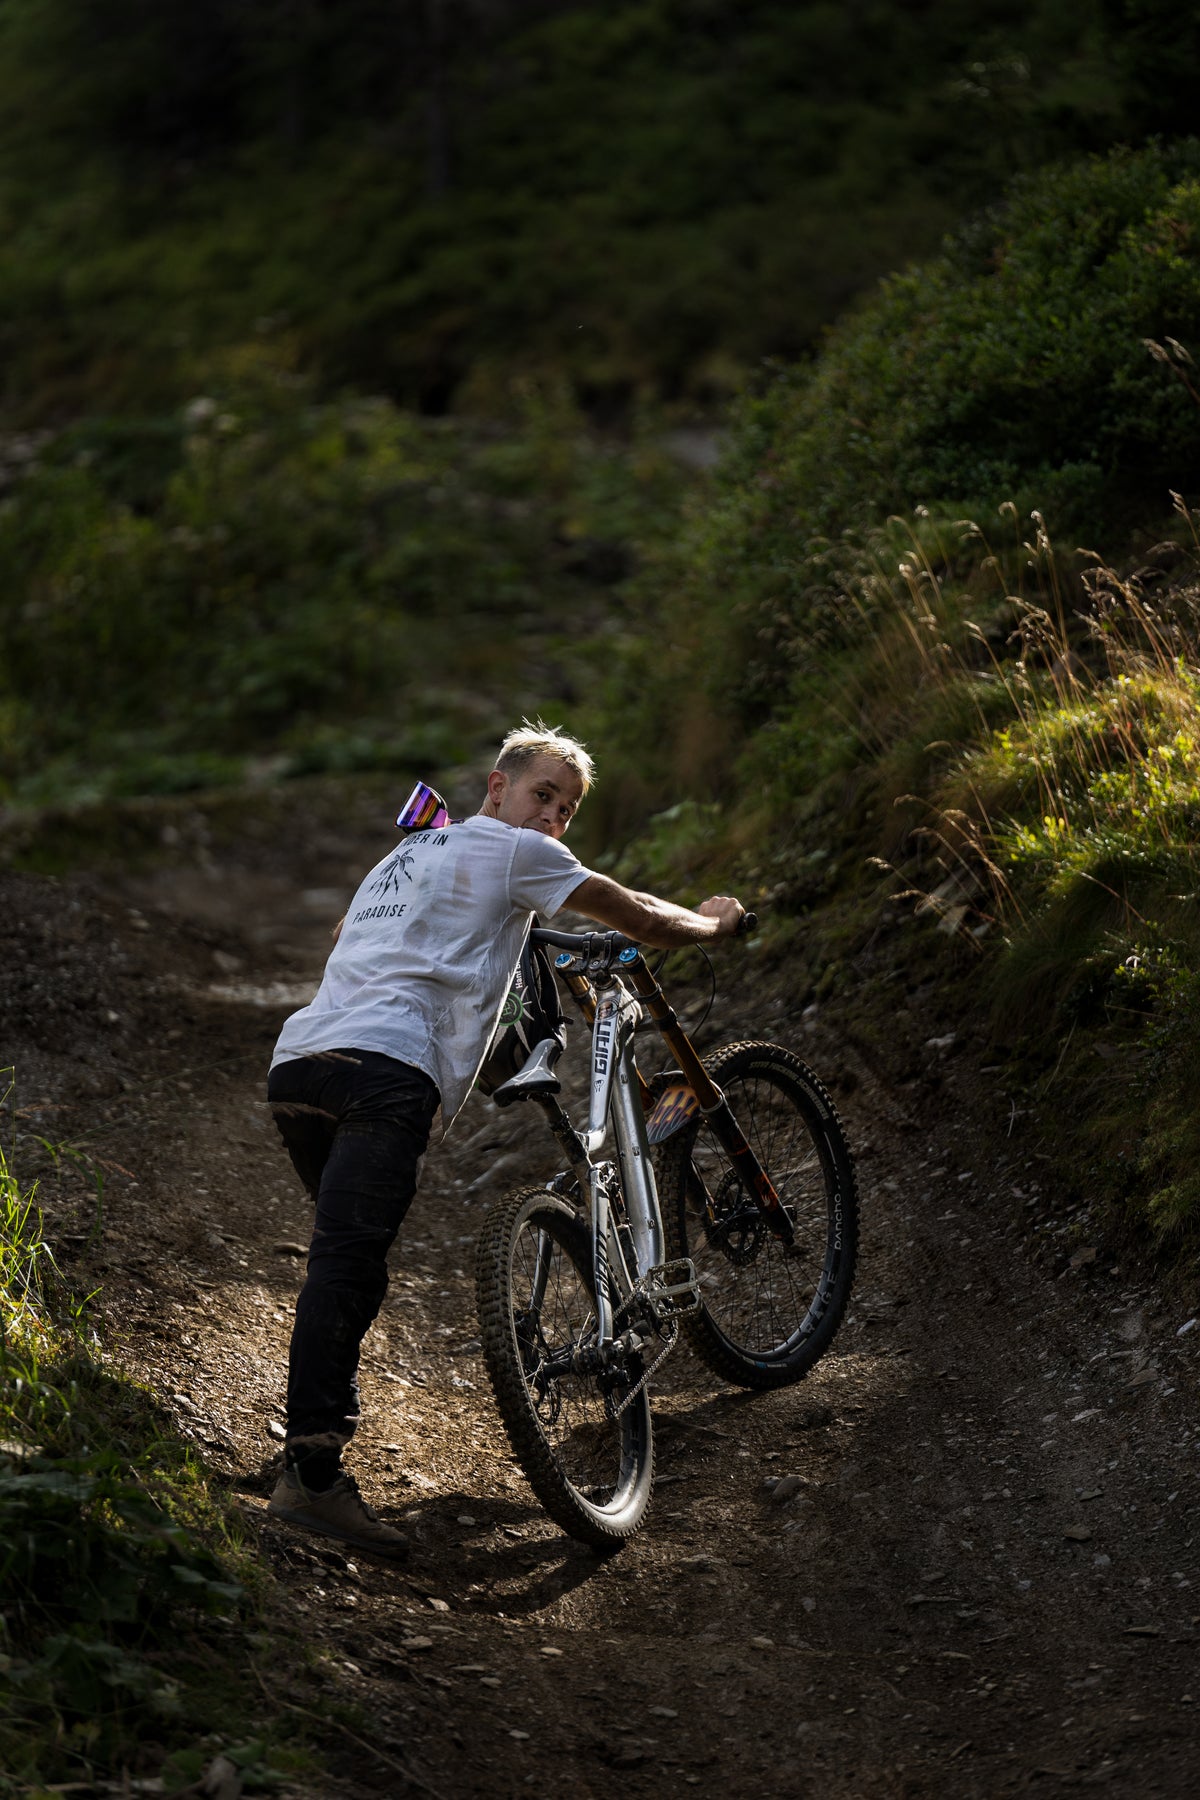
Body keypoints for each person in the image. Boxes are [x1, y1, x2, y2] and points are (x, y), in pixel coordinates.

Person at [266, 720, 744, 1554]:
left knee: (343, 1260)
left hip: (301, 1063)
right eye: (542, 795)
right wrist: (713, 925)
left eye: (567, 809)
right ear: (497, 787)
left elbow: (352, 940)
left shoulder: (408, 855)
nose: (554, 817)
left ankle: (301, 1443)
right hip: (388, 1071)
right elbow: (634, 914)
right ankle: (309, 1477)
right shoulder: (517, 853)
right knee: (348, 1263)